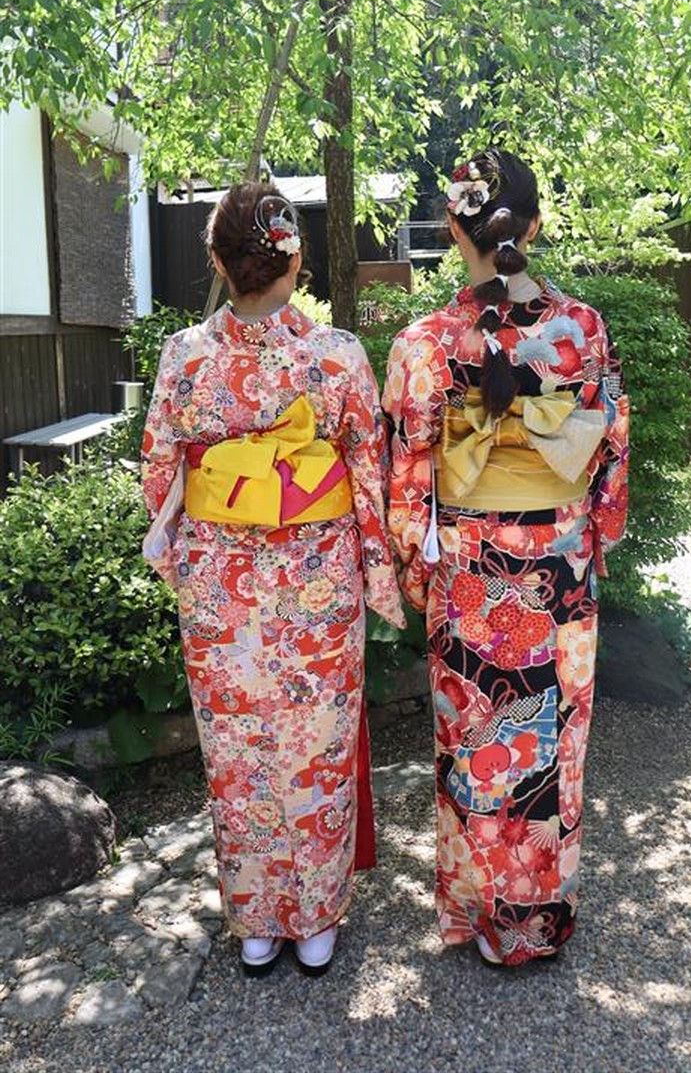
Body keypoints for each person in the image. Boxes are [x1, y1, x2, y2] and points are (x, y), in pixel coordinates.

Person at [141, 181, 404, 977]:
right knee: (315, 743)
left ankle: (257, 923)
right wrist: (379, 573)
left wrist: (185, 554)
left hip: (219, 580)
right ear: (296, 262)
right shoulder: (337, 355)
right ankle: (315, 920)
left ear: (218, 262)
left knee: (238, 748)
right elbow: (370, 474)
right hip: (317, 576)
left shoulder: (184, 357)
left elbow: (160, 474)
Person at [383, 149, 629, 967]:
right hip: (559, 566)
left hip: (468, 570)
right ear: (535, 224)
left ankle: (477, 912)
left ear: (453, 228)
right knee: (552, 744)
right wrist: (597, 536)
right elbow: (610, 450)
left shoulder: (423, 343)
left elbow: (407, 473)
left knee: (474, 737)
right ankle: (536, 920)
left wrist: (415, 572)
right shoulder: (582, 329)